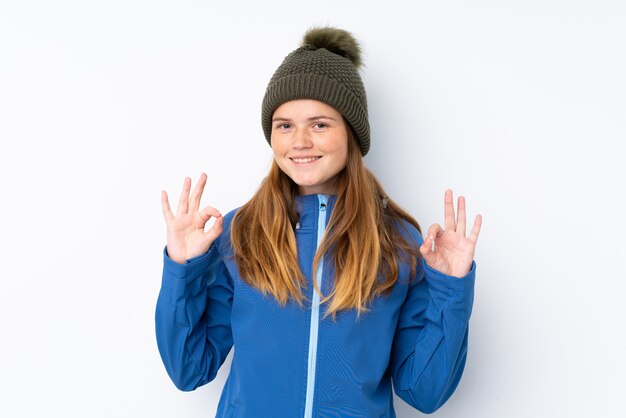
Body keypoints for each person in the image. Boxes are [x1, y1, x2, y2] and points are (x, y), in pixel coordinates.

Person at [155, 27, 482, 418]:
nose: (300, 141)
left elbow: (423, 392)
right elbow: (189, 369)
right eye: (284, 125)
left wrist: (450, 290)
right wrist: (182, 270)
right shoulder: (241, 234)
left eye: (320, 124)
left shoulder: (396, 241)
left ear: (352, 133)